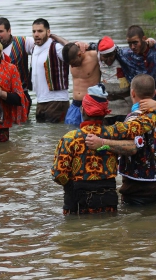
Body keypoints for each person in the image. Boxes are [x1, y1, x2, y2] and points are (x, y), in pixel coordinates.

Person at [51, 83, 156, 215]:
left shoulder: (70, 138)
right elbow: (144, 124)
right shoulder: (115, 133)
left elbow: (58, 174)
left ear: (82, 110)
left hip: (77, 202)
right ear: (105, 113)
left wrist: (73, 187)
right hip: (107, 201)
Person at [86, 74, 156, 205]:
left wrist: (103, 142)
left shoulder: (134, 119)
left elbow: (132, 147)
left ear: (132, 92)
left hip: (139, 188)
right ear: (154, 93)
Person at [31, 18, 69, 123]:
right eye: (34, 31)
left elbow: (73, 51)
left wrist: (56, 37)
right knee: (41, 137)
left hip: (57, 101)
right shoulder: (34, 49)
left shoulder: (56, 47)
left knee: (55, 136)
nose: (36, 34)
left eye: (40, 31)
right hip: (40, 101)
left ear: (48, 32)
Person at [62, 42, 100, 126]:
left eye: (73, 63)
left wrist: (90, 45)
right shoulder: (71, 55)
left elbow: (107, 48)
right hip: (75, 105)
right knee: (70, 133)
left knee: (89, 134)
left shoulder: (94, 56)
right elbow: (67, 44)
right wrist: (76, 42)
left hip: (90, 105)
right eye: (70, 65)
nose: (72, 67)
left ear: (79, 54)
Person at [97, 36, 132, 125]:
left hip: (125, 104)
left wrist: (150, 42)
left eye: (111, 56)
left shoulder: (124, 56)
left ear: (115, 51)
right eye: (105, 57)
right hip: (108, 106)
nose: (108, 60)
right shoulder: (97, 56)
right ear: (100, 54)